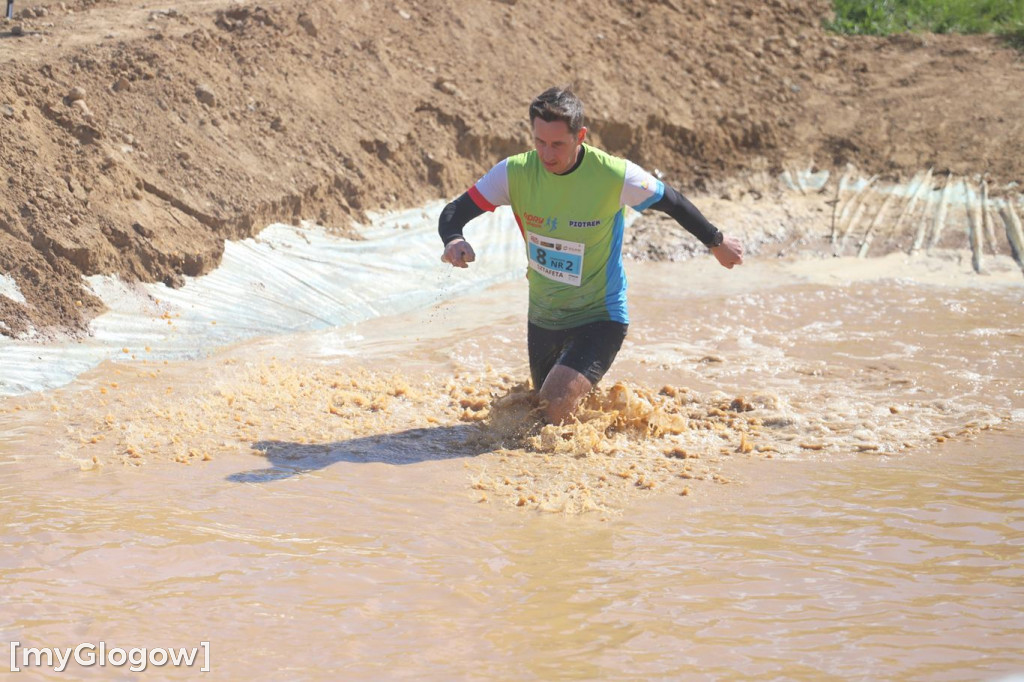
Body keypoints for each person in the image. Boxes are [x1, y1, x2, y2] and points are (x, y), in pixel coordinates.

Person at [438, 86, 744, 425]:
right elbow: (456, 210)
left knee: (552, 408)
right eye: (539, 142)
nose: (546, 154)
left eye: (557, 144)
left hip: (601, 315)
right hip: (544, 316)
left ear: (580, 136)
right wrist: (453, 239)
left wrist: (716, 241)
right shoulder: (514, 173)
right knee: (540, 414)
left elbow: (671, 201)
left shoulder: (614, 175)